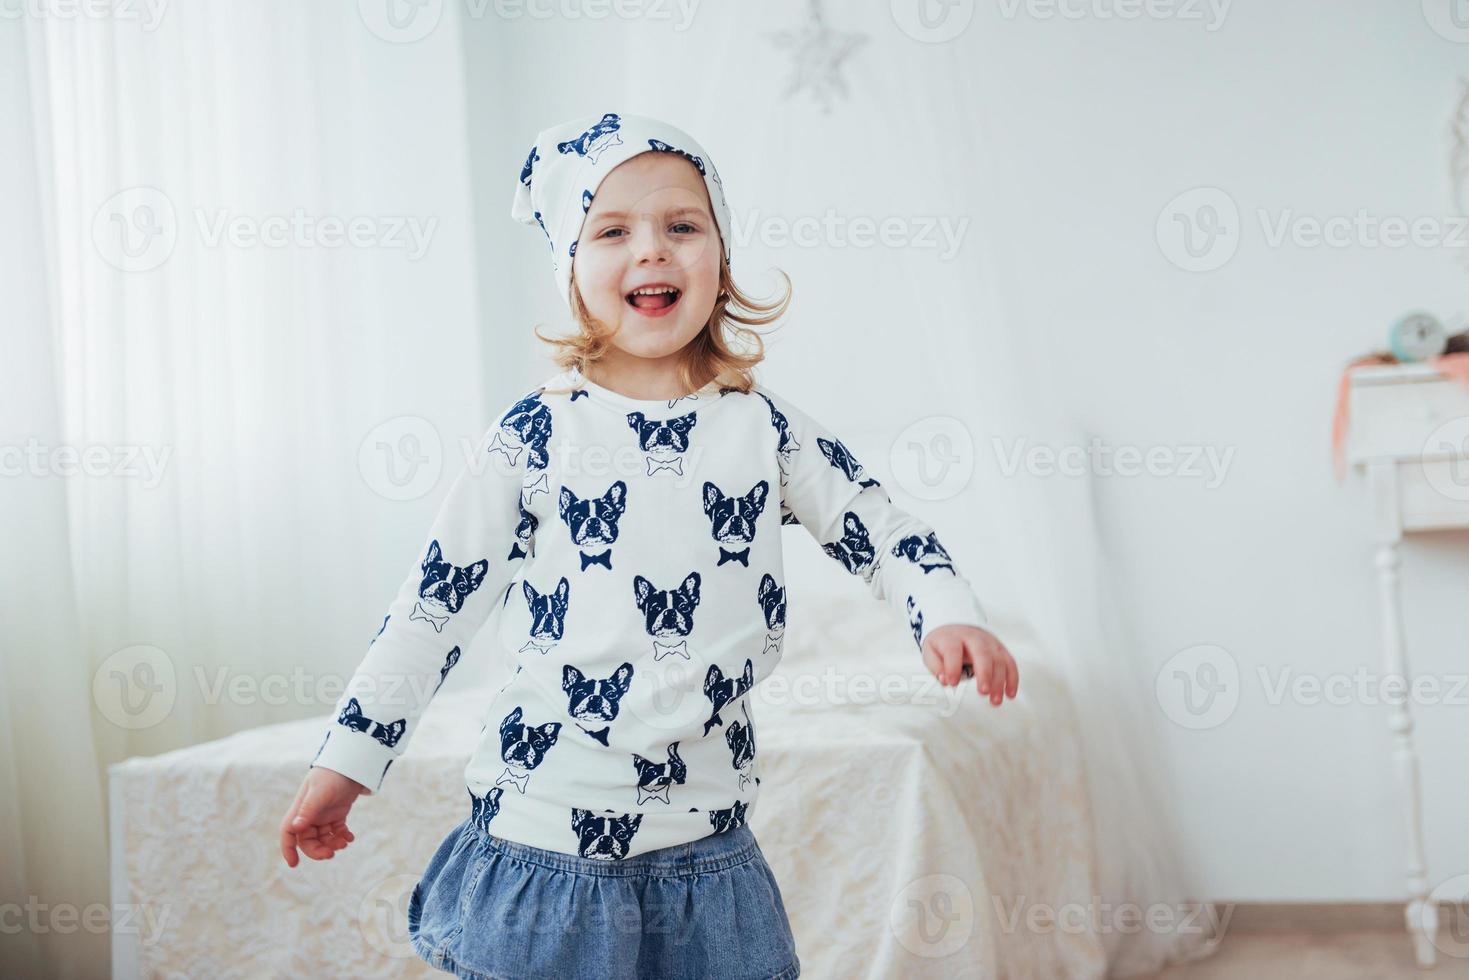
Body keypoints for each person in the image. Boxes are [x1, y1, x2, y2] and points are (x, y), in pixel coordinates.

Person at [277, 111, 1019, 980]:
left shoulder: (764, 431)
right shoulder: (533, 436)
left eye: (682, 226)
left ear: (722, 257)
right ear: (572, 269)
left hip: (709, 849)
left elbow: (880, 527)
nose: (653, 251)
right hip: (545, 836)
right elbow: (430, 613)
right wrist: (349, 763)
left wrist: (947, 614)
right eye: (613, 230)